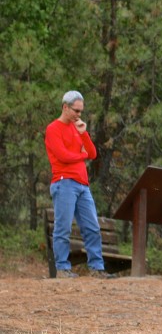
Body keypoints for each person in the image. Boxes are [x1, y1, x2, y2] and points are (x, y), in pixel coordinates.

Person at [44, 91, 115, 279]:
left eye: (81, 111)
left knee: (92, 227)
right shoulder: (53, 129)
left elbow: (92, 153)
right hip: (64, 182)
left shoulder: (78, 128)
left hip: (83, 185)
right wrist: (82, 155)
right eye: (76, 110)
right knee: (63, 228)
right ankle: (62, 268)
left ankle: (96, 268)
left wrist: (84, 134)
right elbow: (64, 156)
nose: (79, 115)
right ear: (65, 107)